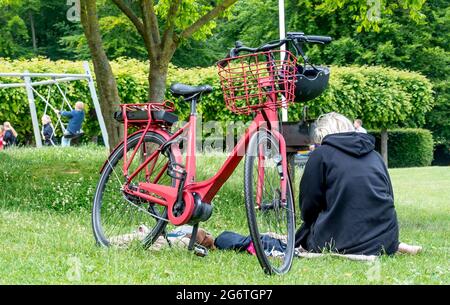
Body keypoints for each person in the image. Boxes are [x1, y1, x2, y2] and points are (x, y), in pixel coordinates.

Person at [296, 112, 421, 256]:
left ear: (323, 134)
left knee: (304, 235)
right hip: (385, 238)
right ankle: (396, 246)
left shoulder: (321, 154)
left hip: (338, 240)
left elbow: (309, 203)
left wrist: (309, 223)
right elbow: (389, 195)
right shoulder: (375, 155)